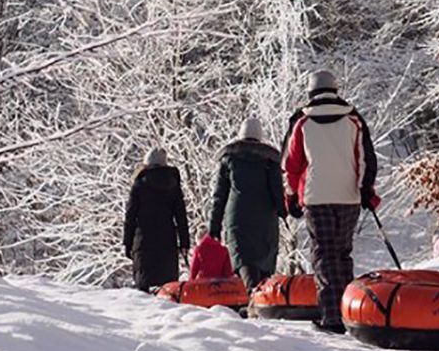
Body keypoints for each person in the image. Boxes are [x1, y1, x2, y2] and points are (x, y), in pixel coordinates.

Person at [282, 70, 379, 333]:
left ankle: (331, 315)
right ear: (335, 90)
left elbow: (290, 165)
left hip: (316, 197)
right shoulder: (353, 119)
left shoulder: (302, 122)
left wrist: (291, 196)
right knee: (342, 253)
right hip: (349, 196)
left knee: (323, 254)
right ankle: (349, 312)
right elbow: (366, 160)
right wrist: (365, 190)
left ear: (311, 92)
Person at [209, 117, 286, 290]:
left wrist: (214, 226)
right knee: (263, 262)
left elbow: (219, 195)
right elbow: (277, 192)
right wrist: (283, 212)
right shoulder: (270, 160)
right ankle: (260, 298)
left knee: (244, 259)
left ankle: (251, 294)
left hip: (237, 216)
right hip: (265, 218)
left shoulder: (229, 158)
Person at [123, 147, 192, 292]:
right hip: (167, 242)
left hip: (144, 242)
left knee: (144, 291)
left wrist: (127, 243)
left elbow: (130, 216)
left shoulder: (139, 185)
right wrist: (184, 242)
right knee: (167, 291)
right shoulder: (173, 185)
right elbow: (181, 216)